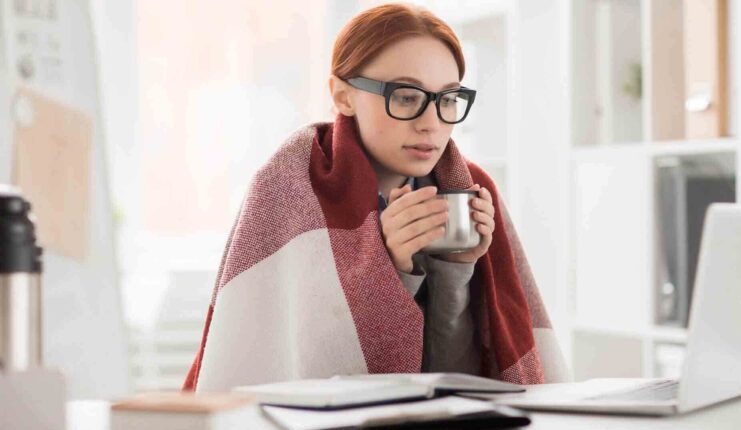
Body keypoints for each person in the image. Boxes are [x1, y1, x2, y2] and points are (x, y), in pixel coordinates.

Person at [183, 2, 570, 392]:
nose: (431, 123)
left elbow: (460, 384)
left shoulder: (471, 188)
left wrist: (456, 268)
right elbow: (311, 380)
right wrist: (390, 271)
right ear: (342, 95)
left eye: (448, 99)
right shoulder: (289, 189)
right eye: (406, 97)